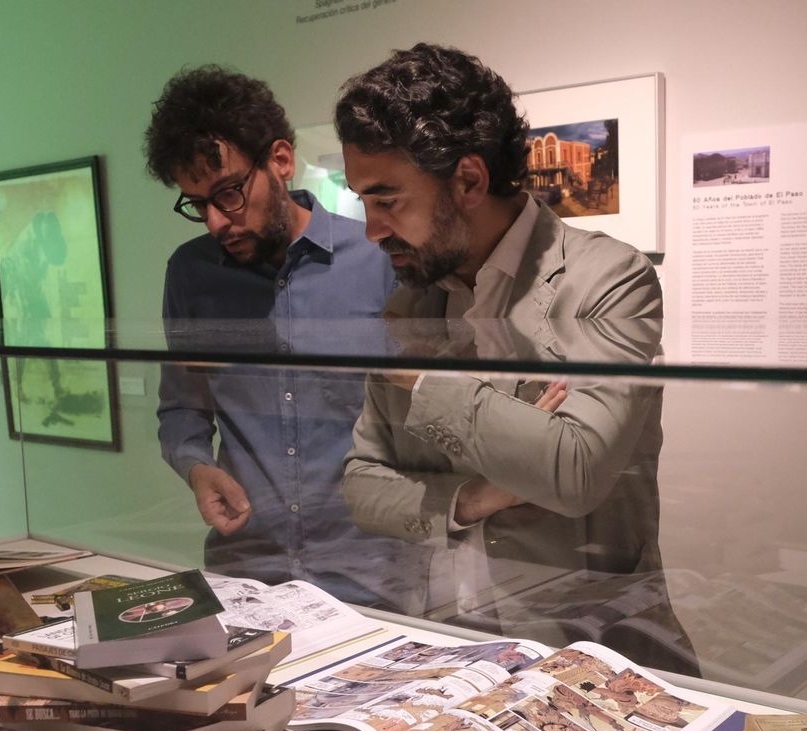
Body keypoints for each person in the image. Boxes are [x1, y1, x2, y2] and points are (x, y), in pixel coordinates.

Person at [332, 43, 698, 674]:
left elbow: (575, 472)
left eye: (387, 199)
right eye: (363, 201)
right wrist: (478, 495)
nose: (371, 230)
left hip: (593, 654)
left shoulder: (608, 279)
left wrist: (422, 382)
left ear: (469, 180)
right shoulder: (410, 303)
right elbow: (363, 487)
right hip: (450, 649)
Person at [147, 65, 418, 610]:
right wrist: (198, 467)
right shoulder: (191, 272)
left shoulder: (377, 258)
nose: (216, 223)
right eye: (197, 205)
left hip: (372, 575)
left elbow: (426, 412)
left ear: (281, 160)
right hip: (245, 575)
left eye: (228, 193)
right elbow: (181, 408)